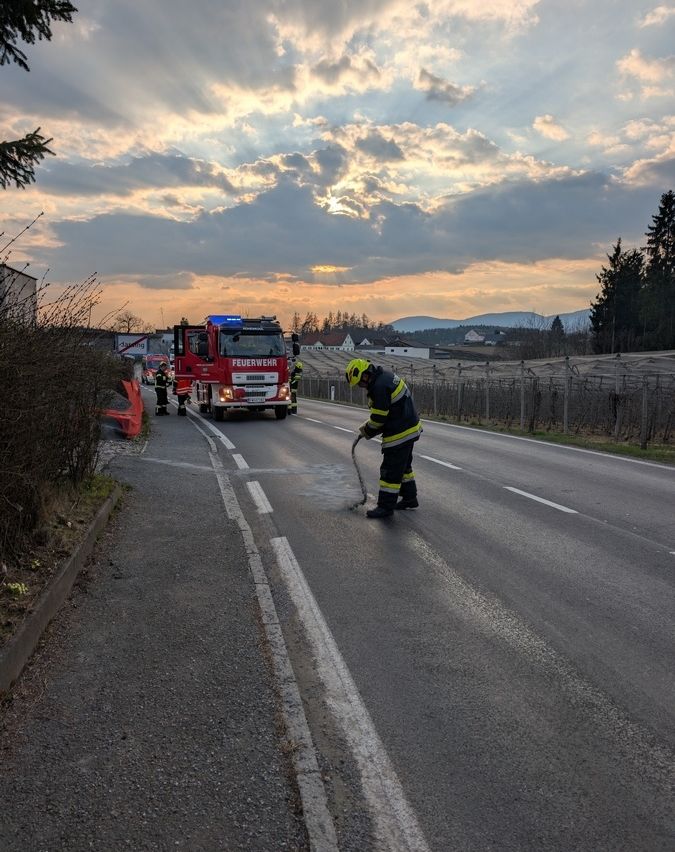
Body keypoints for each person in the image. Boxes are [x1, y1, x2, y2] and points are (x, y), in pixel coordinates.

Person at [345, 358, 422, 519]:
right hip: (410, 427)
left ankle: (385, 507)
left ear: (365, 375)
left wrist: (365, 431)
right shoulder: (385, 376)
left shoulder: (378, 387)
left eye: (360, 383)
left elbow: (379, 419)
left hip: (400, 432)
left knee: (390, 471)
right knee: (404, 467)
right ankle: (410, 498)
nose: (361, 386)